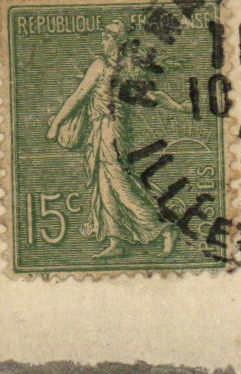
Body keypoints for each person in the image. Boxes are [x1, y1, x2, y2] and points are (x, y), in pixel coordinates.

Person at [46, 22, 185, 258]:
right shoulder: (129, 69)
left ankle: (163, 227)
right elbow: (154, 95)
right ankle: (116, 240)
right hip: (110, 131)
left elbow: (78, 96)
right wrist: (178, 106)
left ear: (117, 41)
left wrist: (57, 123)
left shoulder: (101, 67)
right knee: (105, 184)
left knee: (120, 183)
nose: (102, 42)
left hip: (109, 131)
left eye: (106, 37)